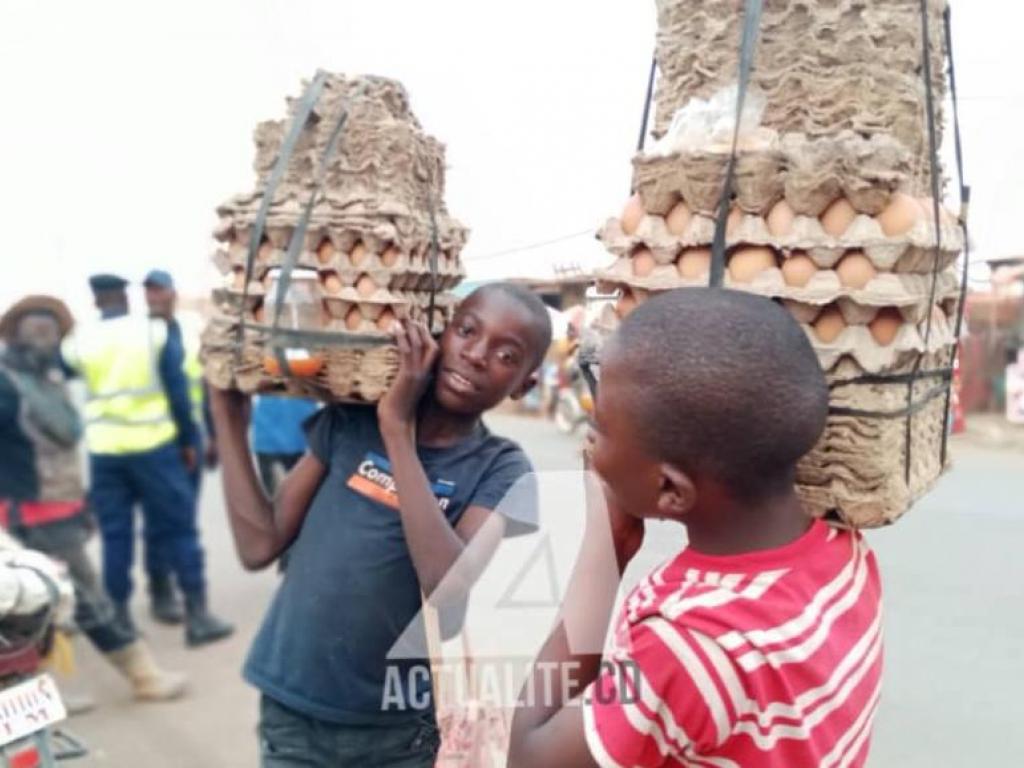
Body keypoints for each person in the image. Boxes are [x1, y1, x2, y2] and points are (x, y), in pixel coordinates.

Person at [508, 288, 884, 768]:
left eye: (599, 430)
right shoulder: (845, 550)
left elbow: (530, 755)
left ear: (669, 489)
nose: (590, 447)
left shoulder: (685, 644)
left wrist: (610, 542)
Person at [209, 284, 552, 767]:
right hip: (294, 711)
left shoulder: (500, 468)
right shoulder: (353, 421)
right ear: (439, 333)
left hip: (397, 732)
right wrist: (226, 416)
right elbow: (258, 544)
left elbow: (447, 587)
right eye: (467, 331)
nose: (476, 354)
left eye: (506, 355)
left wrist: (397, 430)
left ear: (524, 384)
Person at [0, 295, 186, 701]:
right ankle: (142, 675)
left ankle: (38, 695)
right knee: (80, 598)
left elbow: (63, 443)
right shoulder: (6, 383)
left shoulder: (46, 379)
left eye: (50, 333)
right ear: (15, 335)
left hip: (58, 506)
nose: (44, 341)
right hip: (29, 513)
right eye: (35, 332)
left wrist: (80, 502)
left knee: (41, 605)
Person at [63, 274, 233, 647]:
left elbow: (62, 375)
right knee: (180, 530)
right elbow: (177, 391)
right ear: (125, 296)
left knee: (115, 536)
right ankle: (198, 616)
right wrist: (188, 440)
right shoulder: (151, 333)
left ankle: (120, 620)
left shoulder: (79, 339)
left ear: (96, 301)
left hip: (106, 453)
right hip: (156, 448)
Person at [141, 268, 213, 625]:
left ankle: (184, 590)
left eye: (159, 290)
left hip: (189, 437)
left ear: (172, 292)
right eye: (149, 291)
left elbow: (206, 382)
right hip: (155, 443)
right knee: (160, 521)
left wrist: (211, 435)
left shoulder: (187, 330)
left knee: (183, 518)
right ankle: (161, 589)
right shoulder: (140, 334)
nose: (153, 297)